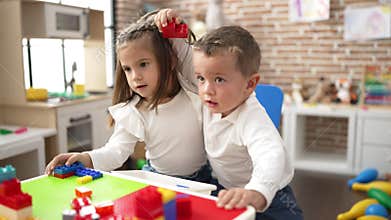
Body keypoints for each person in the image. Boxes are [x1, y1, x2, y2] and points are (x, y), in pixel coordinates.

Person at [45, 11, 211, 183]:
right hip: (158, 180)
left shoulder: (193, 91)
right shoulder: (134, 111)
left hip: (200, 181)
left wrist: (173, 32)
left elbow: (188, 59)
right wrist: (85, 158)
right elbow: (116, 151)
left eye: (143, 64)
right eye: (128, 69)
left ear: (170, 60)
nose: (135, 76)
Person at [192, 25, 303, 219]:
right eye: (201, 78)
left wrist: (258, 191)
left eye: (219, 79)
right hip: (226, 187)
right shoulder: (209, 101)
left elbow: (270, 154)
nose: (207, 90)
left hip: (270, 193)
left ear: (250, 84)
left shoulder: (252, 117)